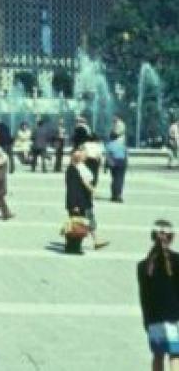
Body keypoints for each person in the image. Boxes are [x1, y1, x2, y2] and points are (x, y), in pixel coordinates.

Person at [138, 220, 179, 371]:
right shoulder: (177, 261)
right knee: (175, 355)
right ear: (172, 237)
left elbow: (144, 297)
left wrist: (146, 320)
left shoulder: (143, 265)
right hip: (173, 319)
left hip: (153, 318)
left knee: (158, 355)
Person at [65, 149, 109, 252]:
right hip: (79, 202)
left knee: (82, 223)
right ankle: (73, 246)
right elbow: (73, 188)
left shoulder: (77, 168)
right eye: (82, 155)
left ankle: (77, 245)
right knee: (77, 224)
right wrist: (74, 204)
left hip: (83, 200)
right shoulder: (74, 169)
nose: (85, 157)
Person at [106, 134, 128, 202]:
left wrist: (107, 165)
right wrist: (126, 163)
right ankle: (118, 194)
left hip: (113, 161)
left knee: (114, 179)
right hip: (122, 162)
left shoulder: (109, 145)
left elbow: (108, 155)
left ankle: (114, 195)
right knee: (120, 179)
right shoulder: (122, 144)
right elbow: (126, 154)